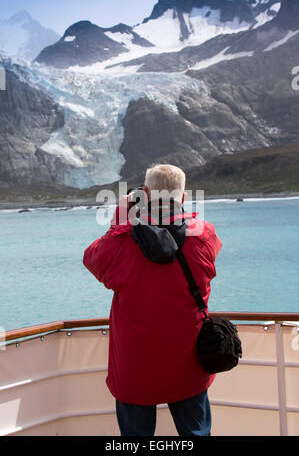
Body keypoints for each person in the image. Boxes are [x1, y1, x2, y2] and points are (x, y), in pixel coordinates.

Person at [83, 164, 222, 436]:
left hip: (135, 368)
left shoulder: (121, 241)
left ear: (144, 194)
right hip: (189, 363)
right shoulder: (204, 236)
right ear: (182, 198)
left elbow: (92, 259)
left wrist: (122, 219)